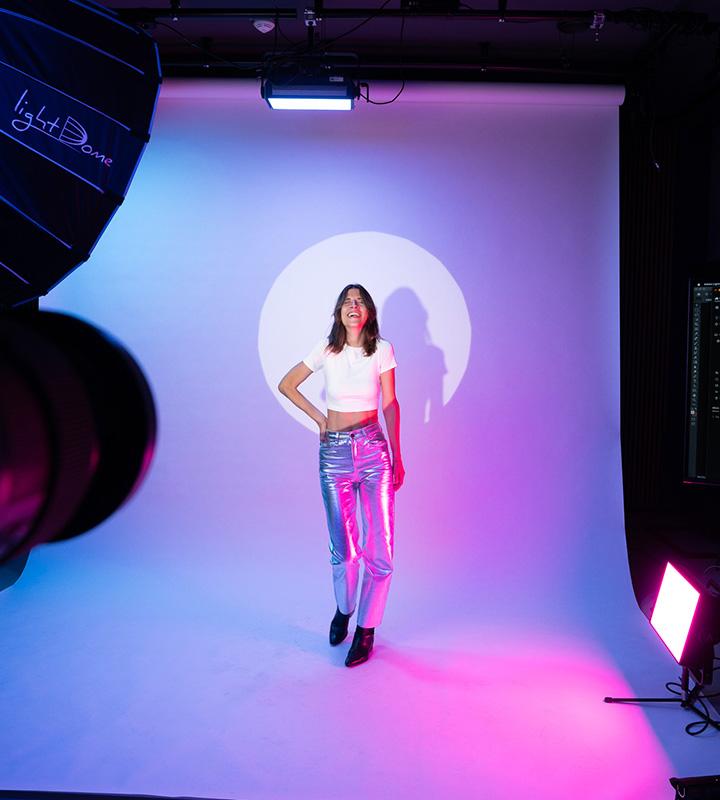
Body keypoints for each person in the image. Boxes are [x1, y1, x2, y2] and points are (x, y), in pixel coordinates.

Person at [278, 284, 404, 667]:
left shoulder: (382, 350)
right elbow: (287, 384)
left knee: (379, 549)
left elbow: (390, 404)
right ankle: (344, 609)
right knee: (344, 548)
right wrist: (320, 419)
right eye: (347, 300)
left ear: (368, 312)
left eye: (360, 300)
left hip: (373, 451)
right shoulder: (327, 349)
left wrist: (397, 456)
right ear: (339, 312)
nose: (354, 305)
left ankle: (367, 629)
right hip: (333, 453)